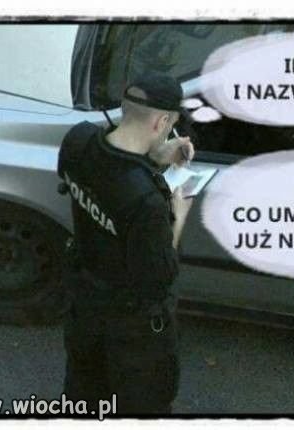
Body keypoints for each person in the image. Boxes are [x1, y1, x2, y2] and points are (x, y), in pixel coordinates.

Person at [57, 72, 195, 415]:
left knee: (84, 391)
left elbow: (104, 171)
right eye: (170, 125)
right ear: (162, 122)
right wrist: (177, 216)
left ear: (124, 106)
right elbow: (159, 277)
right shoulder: (147, 202)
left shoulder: (77, 140)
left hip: (83, 303)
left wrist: (154, 156)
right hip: (130, 328)